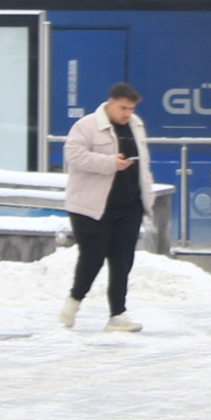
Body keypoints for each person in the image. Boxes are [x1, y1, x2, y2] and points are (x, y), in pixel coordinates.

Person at [62, 82, 155, 332]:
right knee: (92, 257)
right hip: (91, 207)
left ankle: (118, 314)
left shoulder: (135, 125)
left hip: (129, 205)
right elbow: (74, 156)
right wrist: (109, 162)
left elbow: (143, 164)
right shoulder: (87, 125)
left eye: (131, 108)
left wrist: (147, 195)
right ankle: (72, 305)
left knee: (122, 260)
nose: (127, 113)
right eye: (123, 108)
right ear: (110, 103)